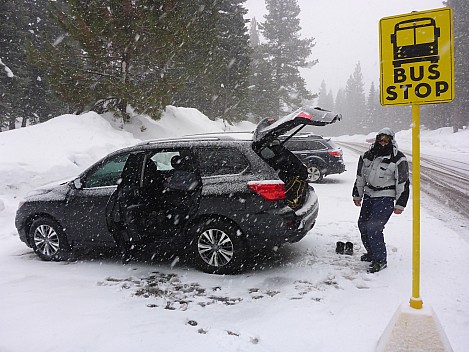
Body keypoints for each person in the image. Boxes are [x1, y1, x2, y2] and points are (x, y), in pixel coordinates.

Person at [352, 128, 410, 273]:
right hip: (369, 196)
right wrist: (357, 195)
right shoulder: (367, 156)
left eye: (386, 140)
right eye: (380, 139)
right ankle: (371, 253)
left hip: (385, 197)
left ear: (391, 141)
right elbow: (360, 177)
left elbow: (403, 182)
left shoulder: (398, 159)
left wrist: (400, 204)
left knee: (374, 228)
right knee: (363, 225)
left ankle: (380, 260)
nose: (383, 143)